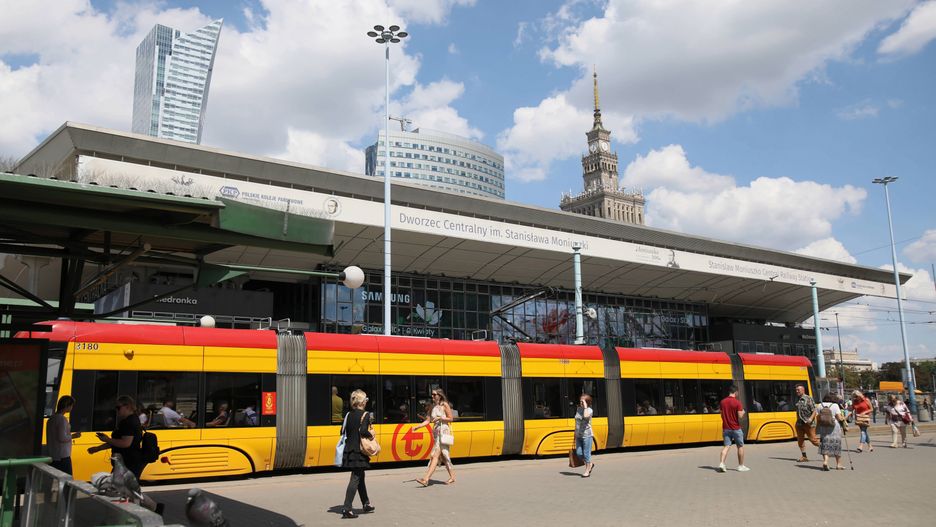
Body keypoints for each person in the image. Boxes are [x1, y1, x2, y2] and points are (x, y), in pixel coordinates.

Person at [87, 395, 165, 515]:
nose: (116, 410)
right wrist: (98, 448)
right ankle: (152, 509)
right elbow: (116, 442)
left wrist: (107, 440)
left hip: (130, 462)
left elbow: (125, 443)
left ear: (127, 406)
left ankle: (140, 512)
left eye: (118, 407)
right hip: (125, 462)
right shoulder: (128, 421)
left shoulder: (130, 422)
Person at [340, 389, 375, 519]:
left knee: (360, 476)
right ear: (362, 401)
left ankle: (366, 503)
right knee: (355, 478)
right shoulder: (365, 414)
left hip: (350, 450)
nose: (366, 402)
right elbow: (363, 431)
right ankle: (347, 508)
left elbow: (342, 431)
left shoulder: (348, 414)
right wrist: (371, 434)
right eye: (365, 400)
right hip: (359, 451)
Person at [414, 387, 456, 486]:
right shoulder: (432, 406)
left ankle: (426, 479)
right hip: (436, 433)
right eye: (432, 394)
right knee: (444, 456)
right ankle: (452, 477)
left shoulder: (444, 405)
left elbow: (451, 418)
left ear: (439, 395)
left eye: (434, 394)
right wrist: (418, 426)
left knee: (434, 456)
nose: (432, 396)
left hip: (443, 432)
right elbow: (428, 420)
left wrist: (440, 418)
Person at [717, 385, 749, 472]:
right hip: (736, 428)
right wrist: (743, 411)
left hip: (726, 428)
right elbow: (740, 416)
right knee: (740, 446)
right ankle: (741, 466)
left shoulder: (722, 402)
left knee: (726, 446)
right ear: (736, 392)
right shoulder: (737, 402)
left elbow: (721, 415)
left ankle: (722, 463)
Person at [47, 395, 81, 474]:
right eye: (71, 405)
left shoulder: (51, 419)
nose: (72, 408)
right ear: (67, 406)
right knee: (67, 480)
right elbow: (62, 438)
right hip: (63, 456)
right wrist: (74, 436)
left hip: (53, 455)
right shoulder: (62, 419)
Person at [816, 393, 846, 470]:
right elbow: (839, 418)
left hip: (823, 427)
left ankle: (826, 461)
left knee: (825, 444)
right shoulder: (835, 405)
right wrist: (843, 419)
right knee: (836, 444)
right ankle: (839, 464)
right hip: (834, 427)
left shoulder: (819, 405)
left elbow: (818, 418)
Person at [793, 383, 820, 462]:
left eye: (798, 390)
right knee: (800, 440)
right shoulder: (797, 399)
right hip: (799, 423)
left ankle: (825, 449)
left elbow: (815, 410)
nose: (797, 391)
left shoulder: (808, 398)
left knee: (813, 440)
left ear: (803, 390)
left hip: (808, 423)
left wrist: (811, 419)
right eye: (796, 390)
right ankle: (804, 456)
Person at [573, 394, 595, 477]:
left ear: (587, 402)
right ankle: (590, 464)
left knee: (586, 454)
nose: (581, 402)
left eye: (583, 401)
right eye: (580, 401)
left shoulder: (589, 410)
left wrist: (585, 407)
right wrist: (575, 433)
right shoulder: (578, 409)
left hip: (587, 436)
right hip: (578, 435)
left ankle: (587, 470)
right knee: (578, 453)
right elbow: (577, 421)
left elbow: (585, 416)